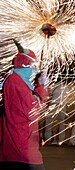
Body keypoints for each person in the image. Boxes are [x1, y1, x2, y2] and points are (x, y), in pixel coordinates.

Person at [0, 42, 49, 170]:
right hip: (21, 150)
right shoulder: (16, 83)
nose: (35, 71)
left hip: (17, 147)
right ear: (26, 66)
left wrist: (40, 86)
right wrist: (43, 87)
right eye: (33, 67)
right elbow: (34, 111)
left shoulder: (16, 80)